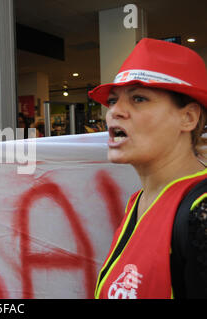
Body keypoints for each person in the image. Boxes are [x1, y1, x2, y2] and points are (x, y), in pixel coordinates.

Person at [89, 38, 207, 299]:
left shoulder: (201, 214)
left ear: (188, 117)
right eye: (112, 101)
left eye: (139, 98)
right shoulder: (139, 200)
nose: (114, 112)